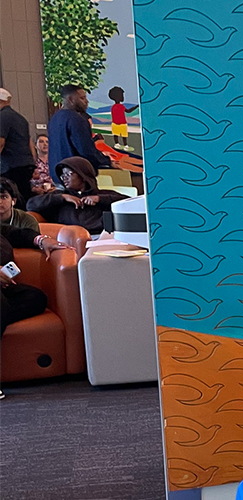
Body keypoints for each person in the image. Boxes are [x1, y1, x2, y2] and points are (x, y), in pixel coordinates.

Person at [0, 176, 68, 402]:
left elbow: (19, 234)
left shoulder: (9, 225)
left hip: (7, 287)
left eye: (3, 197)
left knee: (36, 298)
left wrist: (42, 241)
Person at [28, 156, 127, 235]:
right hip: (68, 239)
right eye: (62, 176)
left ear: (83, 175)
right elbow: (30, 205)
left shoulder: (102, 194)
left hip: (100, 237)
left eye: (68, 174)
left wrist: (99, 199)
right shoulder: (59, 196)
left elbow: (131, 203)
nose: (64, 178)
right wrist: (63, 197)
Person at [46, 84, 112, 180]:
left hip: (57, 175)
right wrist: (106, 161)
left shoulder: (54, 119)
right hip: (75, 176)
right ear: (71, 99)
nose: (87, 101)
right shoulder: (76, 119)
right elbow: (85, 149)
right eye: (82, 98)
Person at [0, 88, 36, 204]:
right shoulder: (21, 119)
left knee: (10, 199)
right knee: (24, 197)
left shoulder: (2, 116)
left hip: (10, 166)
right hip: (26, 164)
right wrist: (34, 163)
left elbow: (0, 142)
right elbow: (30, 142)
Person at [107, 86, 138, 152]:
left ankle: (117, 144)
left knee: (117, 134)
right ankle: (125, 145)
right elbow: (128, 111)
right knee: (123, 135)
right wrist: (136, 107)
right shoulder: (121, 106)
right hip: (122, 123)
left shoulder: (113, 107)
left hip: (115, 123)